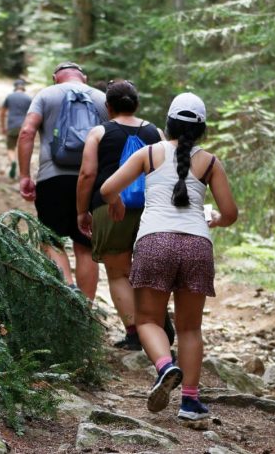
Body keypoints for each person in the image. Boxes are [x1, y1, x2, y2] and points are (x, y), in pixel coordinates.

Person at [100, 93, 238, 422]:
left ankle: (165, 366)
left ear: (168, 123)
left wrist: (116, 203)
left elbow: (107, 189)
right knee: (191, 328)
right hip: (196, 245)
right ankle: (190, 402)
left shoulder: (149, 153)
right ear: (202, 129)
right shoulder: (210, 162)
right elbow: (230, 213)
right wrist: (215, 220)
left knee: (147, 320)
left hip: (155, 241)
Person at [75, 80, 164, 350]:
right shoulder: (155, 132)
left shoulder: (99, 133)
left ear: (108, 106)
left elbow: (88, 174)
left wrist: (82, 211)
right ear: (137, 103)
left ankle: (135, 333)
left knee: (118, 273)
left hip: (109, 208)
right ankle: (157, 328)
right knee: (149, 271)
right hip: (152, 209)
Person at [17, 62, 109, 299]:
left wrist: (25, 175)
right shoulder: (101, 98)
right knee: (86, 245)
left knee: (51, 238)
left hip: (52, 178)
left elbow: (27, 132)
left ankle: (67, 286)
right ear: (84, 78)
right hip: (91, 179)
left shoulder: (46, 94)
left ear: (54, 78)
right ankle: (86, 310)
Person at [1, 79, 32, 179]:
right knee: (23, 149)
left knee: (10, 148)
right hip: (25, 127)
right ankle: (23, 173)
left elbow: (2, 113)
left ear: (15, 87)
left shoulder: (9, 97)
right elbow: (33, 114)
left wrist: (3, 127)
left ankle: (13, 162)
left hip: (12, 126)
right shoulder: (28, 98)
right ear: (23, 87)